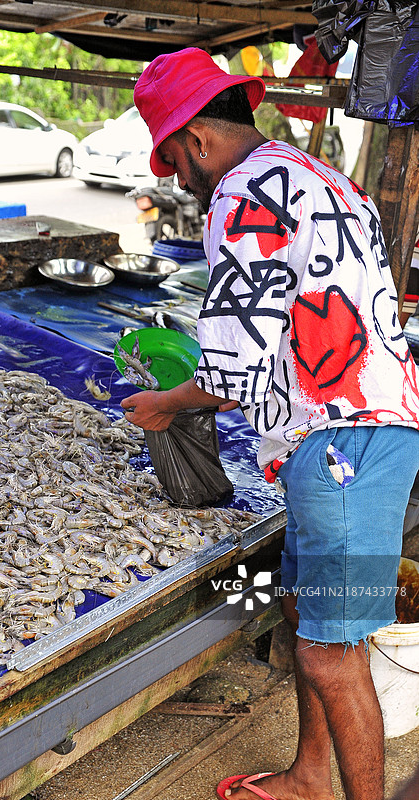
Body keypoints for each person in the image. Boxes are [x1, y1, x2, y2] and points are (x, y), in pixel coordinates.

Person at [121, 48, 419, 800]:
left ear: (197, 139)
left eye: (174, 161)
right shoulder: (319, 177)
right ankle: (309, 776)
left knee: (330, 652)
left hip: (344, 446)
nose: (177, 181)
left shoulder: (244, 197)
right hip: (364, 428)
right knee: (303, 612)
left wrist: (165, 402)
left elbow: (230, 374)